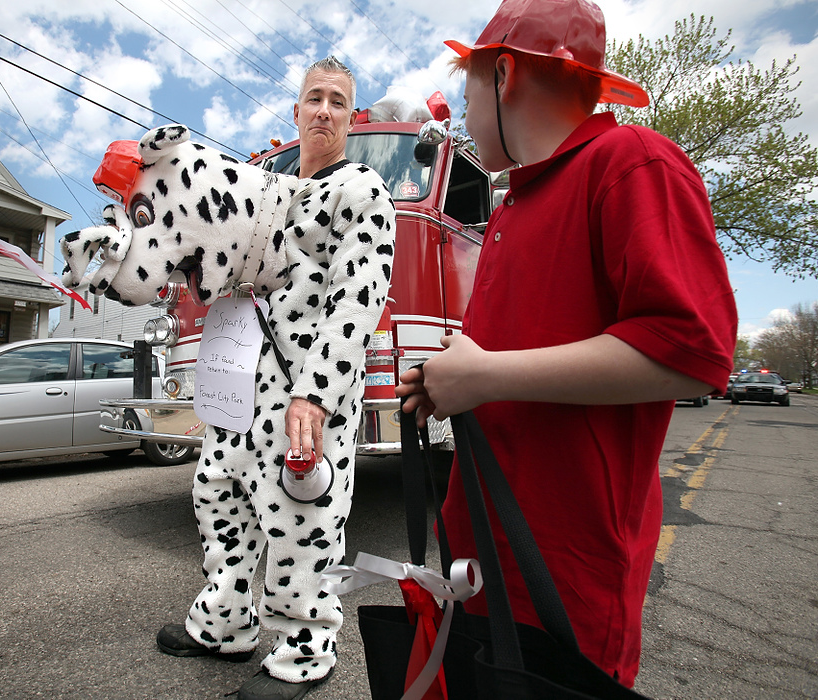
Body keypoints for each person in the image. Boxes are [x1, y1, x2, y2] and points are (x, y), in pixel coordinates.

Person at [396, 0, 737, 687]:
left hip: (566, 581)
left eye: (467, 92)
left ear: (506, 73)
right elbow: (515, 363)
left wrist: (489, 375)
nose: (463, 115)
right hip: (489, 565)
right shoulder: (510, 206)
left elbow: (692, 352)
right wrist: (453, 384)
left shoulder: (632, 160)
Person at [157, 56, 395, 700]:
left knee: (299, 518)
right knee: (219, 496)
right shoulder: (266, 192)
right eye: (313, 98)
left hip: (302, 394)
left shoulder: (363, 191)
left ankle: (303, 650)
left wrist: (314, 394)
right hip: (240, 387)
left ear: (351, 118)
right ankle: (226, 623)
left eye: (337, 101)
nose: (323, 109)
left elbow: (358, 301)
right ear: (295, 112)